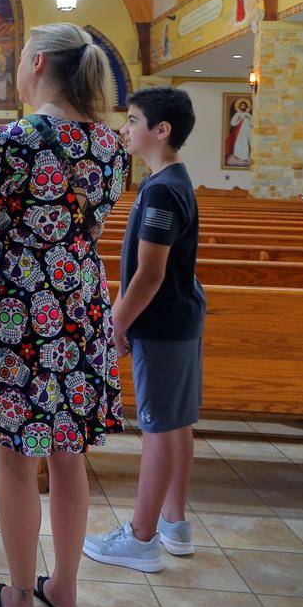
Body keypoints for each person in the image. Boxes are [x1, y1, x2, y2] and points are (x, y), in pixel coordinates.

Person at [0, 22, 127, 607]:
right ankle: (68, 591)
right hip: (79, 304)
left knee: (16, 457)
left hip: (19, 309)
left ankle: (22, 596)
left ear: (34, 64)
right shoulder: (111, 146)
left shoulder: (12, 139)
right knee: (70, 455)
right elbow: (91, 232)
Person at [83, 87, 205, 572]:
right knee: (176, 424)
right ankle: (175, 524)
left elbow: (149, 273)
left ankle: (141, 537)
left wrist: (116, 321)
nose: (124, 128)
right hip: (178, 317)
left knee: (157, 428)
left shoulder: (160, 190)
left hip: (160, 323)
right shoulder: (172, 180)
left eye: (133, 120)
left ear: (162, 130)